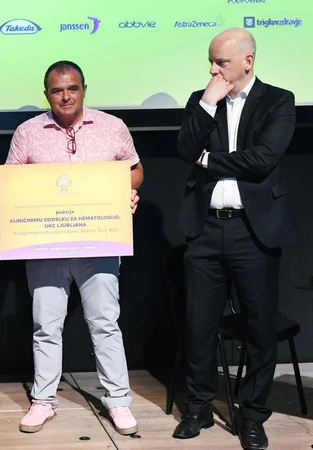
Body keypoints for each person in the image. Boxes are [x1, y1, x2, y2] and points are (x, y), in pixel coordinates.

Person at [0, 61, 143, 435]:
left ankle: (117, 401)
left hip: (99, 242)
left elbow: (135, 170)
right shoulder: (28, 132)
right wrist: (3, 209)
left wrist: (129, 191)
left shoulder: (112, 127)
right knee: (45, 326)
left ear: (84, 89)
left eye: (72, 88)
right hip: (45, 246)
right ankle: (43, 400)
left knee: (105, 323)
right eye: (57, 90)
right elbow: (12, 183)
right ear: (47, 95)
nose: (65, 96)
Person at [173, 28, 295, 450]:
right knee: (199, 324)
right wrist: (207, 102)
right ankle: (199, 408)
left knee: (259, 329)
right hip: (205, 230)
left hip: (253, 231)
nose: (213, 69)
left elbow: (262, 160)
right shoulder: (200, 101)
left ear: (248, 61)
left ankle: (254, 415)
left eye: (221, 62)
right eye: (210, 61)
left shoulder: (279, 101)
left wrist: (209, 160)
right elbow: (185, 148)